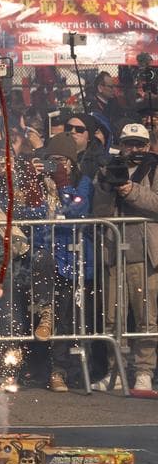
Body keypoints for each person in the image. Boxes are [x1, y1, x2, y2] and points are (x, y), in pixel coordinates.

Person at [93, 123, 158, 392]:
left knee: (147, 315)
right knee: (113, 316)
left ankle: (144, 371)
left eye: (139, 144)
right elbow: (98, 210)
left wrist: (131, 190)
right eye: (129, 143)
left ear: (147, 145)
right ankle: (115, 369)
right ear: (120, 144)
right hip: (113, 250)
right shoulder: (107, 168)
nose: (134, 149)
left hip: (144, 251)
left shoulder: (154, 168)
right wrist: (108, 186)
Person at [37, 131, 96, 392]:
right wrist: (33, 181)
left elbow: (77, 210)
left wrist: (62, 183)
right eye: (51, 159)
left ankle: (60, 372)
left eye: (61, 159)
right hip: (42, 258)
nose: (56, 165)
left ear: (71, 161)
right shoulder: (38, 183)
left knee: (66, 320)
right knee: (37, 320)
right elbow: (28, 212)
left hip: (73, 261)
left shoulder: (82, 182)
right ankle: (35, 370)